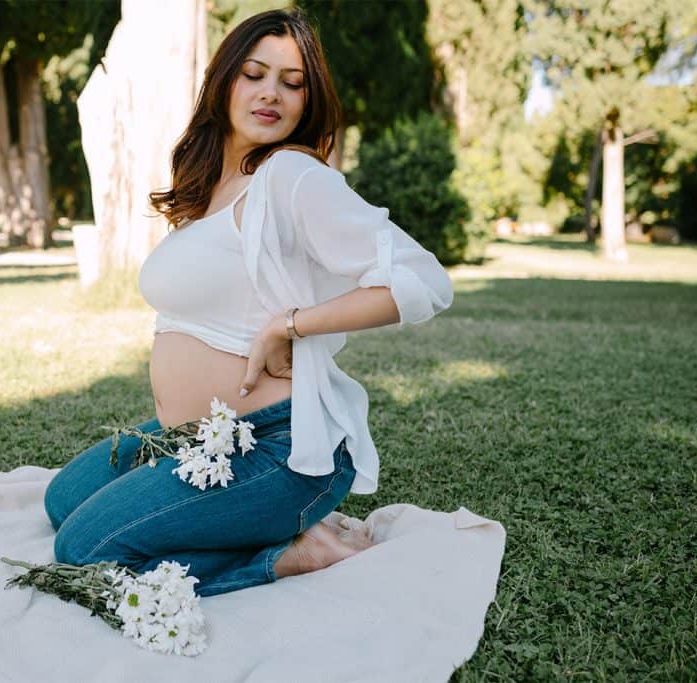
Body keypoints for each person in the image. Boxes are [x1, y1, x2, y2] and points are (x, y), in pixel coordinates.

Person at [43, 8, 453, 597]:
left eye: (293, 83)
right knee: (63, 500)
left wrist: (291, 325)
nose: (271, 94)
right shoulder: (211, 183)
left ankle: (291, 551)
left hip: (278, 450)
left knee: (82, 548)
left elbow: (423, 279)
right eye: (255, 74)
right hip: (191, 435)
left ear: (308, 103)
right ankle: (235, 527)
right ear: (225, 80)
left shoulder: (291, 175)